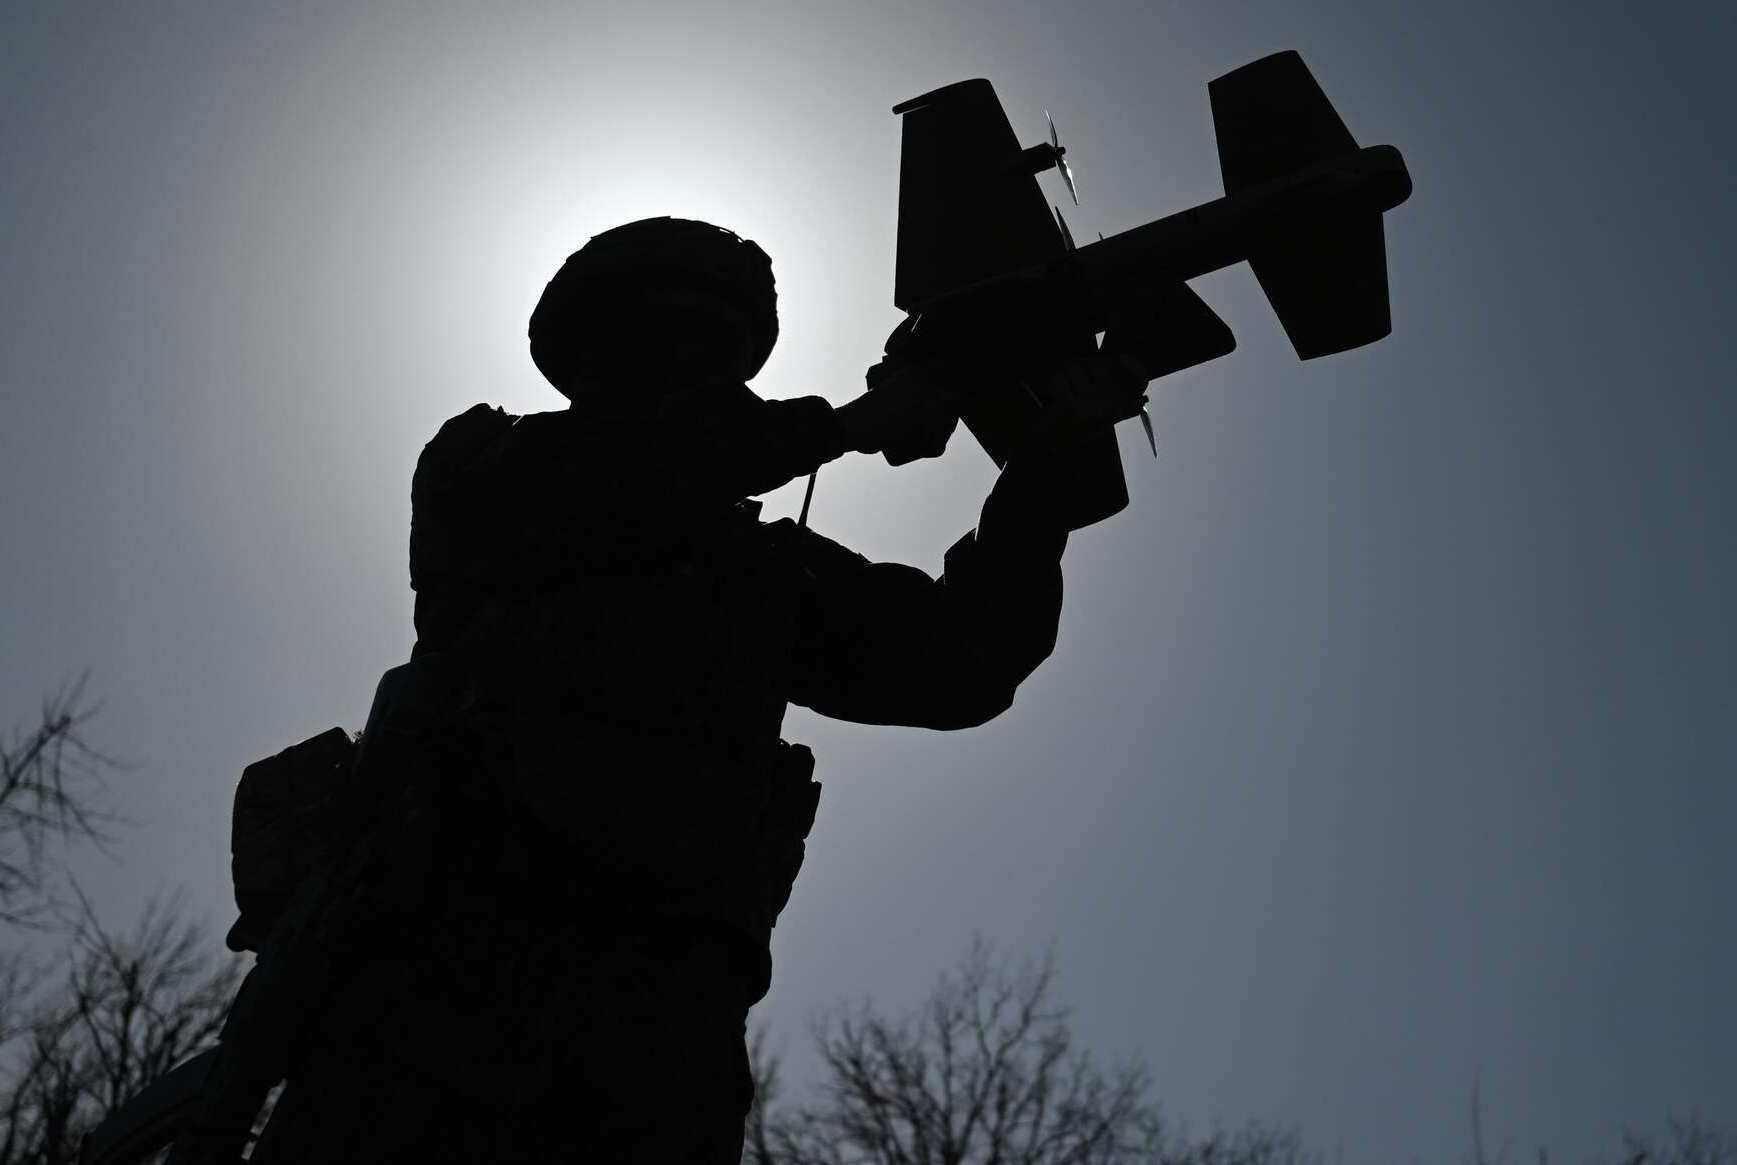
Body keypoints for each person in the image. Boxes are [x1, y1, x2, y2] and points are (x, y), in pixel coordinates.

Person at [249, 217, 1144, 1163]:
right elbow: (634, 471)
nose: (702, 369)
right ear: (598, 347)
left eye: (724, 348)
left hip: (663, 1023)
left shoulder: (756, 570)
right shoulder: (488, 464)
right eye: (675, 334)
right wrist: (842, 426)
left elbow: (961, 660)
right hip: (440, 980)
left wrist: (1048, 462)